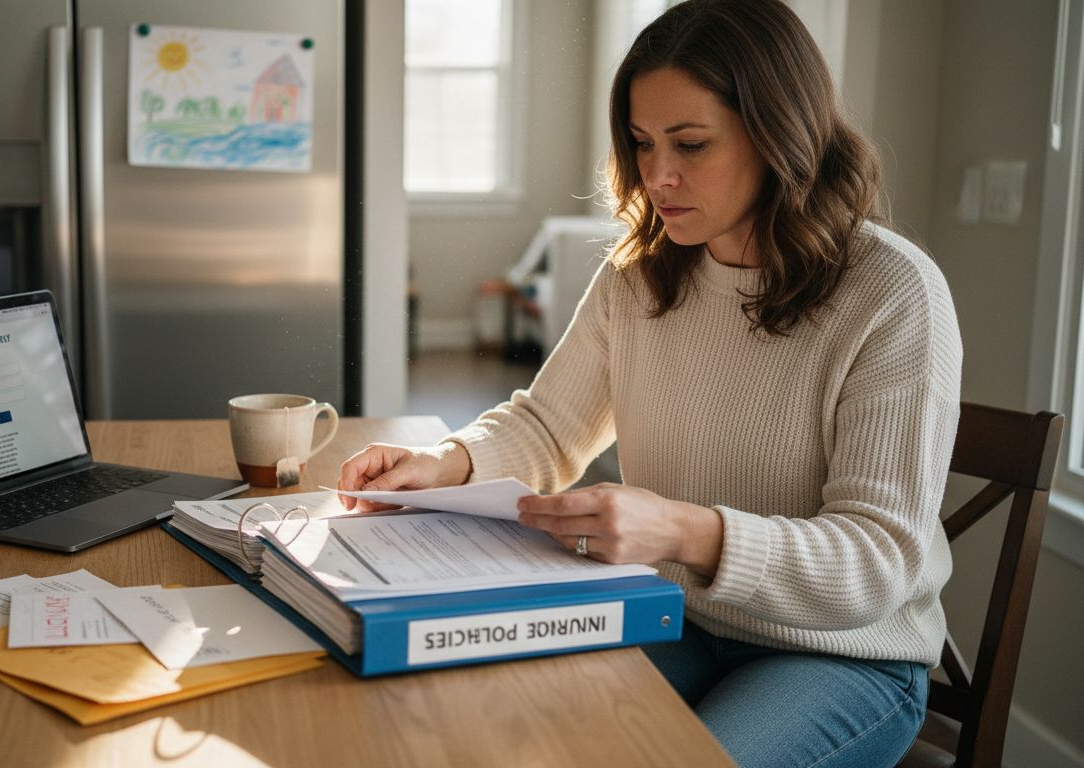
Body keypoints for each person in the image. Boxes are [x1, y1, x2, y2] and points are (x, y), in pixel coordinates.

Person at [338, 1, 961, 765]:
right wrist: (449, 463)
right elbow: (548, 427)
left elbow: (878, 560)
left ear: (781, 135)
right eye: (641, 144)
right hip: (674, 615)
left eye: (691, 144)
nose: (657, 177)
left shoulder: (892, 293)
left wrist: (680, 531)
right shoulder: (638, 275)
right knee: (478, 725)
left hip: (840, 654)